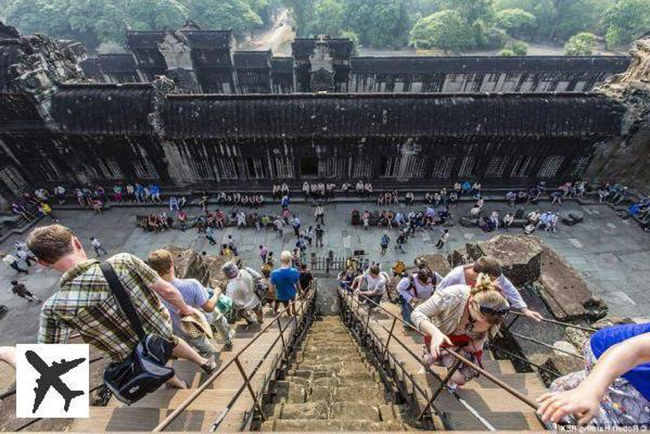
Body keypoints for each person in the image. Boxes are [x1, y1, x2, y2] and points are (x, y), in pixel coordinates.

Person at [27, 225, 217, 389]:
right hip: (159, 333)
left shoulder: (54, 308)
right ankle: (203, 362)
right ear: (76, 243)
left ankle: (176, 382)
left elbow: (47, 363)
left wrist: (6, 353)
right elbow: (168, 291)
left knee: (148, 364)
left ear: (42, 263)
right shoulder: (123, 261)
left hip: (129, 356)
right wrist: (185, 310)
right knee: (172, 342)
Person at [538, 323, 650, 427]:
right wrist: (590, 390)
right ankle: (580, 410)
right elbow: (635, 350)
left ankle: (572, 386)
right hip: (609, 355)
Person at [413, 274, 509, 387]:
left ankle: (451, 379)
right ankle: (426, 367)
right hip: (443, 334)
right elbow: (417, 313)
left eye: (489, 323)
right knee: (431, 355)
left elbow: (490, 329)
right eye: (480, 319)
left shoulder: (498, 309)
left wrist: (480, 341)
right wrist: (435, 333)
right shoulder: (451, 296)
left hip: (466, 342)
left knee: (465, 374)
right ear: (472, 303)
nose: (484, 324)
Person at [147, 250, 234, 354]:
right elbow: (209, 307)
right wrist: (217, 293)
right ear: (172, 263)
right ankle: (227, 340)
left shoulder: (152, 292)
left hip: (182, 327)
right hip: (204, 318)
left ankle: (210, 357)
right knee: (219, 318)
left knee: (201, 343)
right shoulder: (191, 284)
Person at [437, 256, 543, 322]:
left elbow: (509, 288)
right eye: (492, 279)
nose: (494, 282)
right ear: (481, 275)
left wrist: (524, 309)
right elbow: (439, 292)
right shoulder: (455, 276)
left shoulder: (495, 275)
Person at [270, 251, 302, 318]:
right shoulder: (295, 271)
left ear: (281, 260)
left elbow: (272, 290)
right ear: (290, 260)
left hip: (282, 293)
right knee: (293, 299)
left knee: (286, 304)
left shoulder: (274, 273)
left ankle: (289, 314)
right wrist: (301, 291)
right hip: (292, 292)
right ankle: (294, 310)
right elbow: (298, 285)